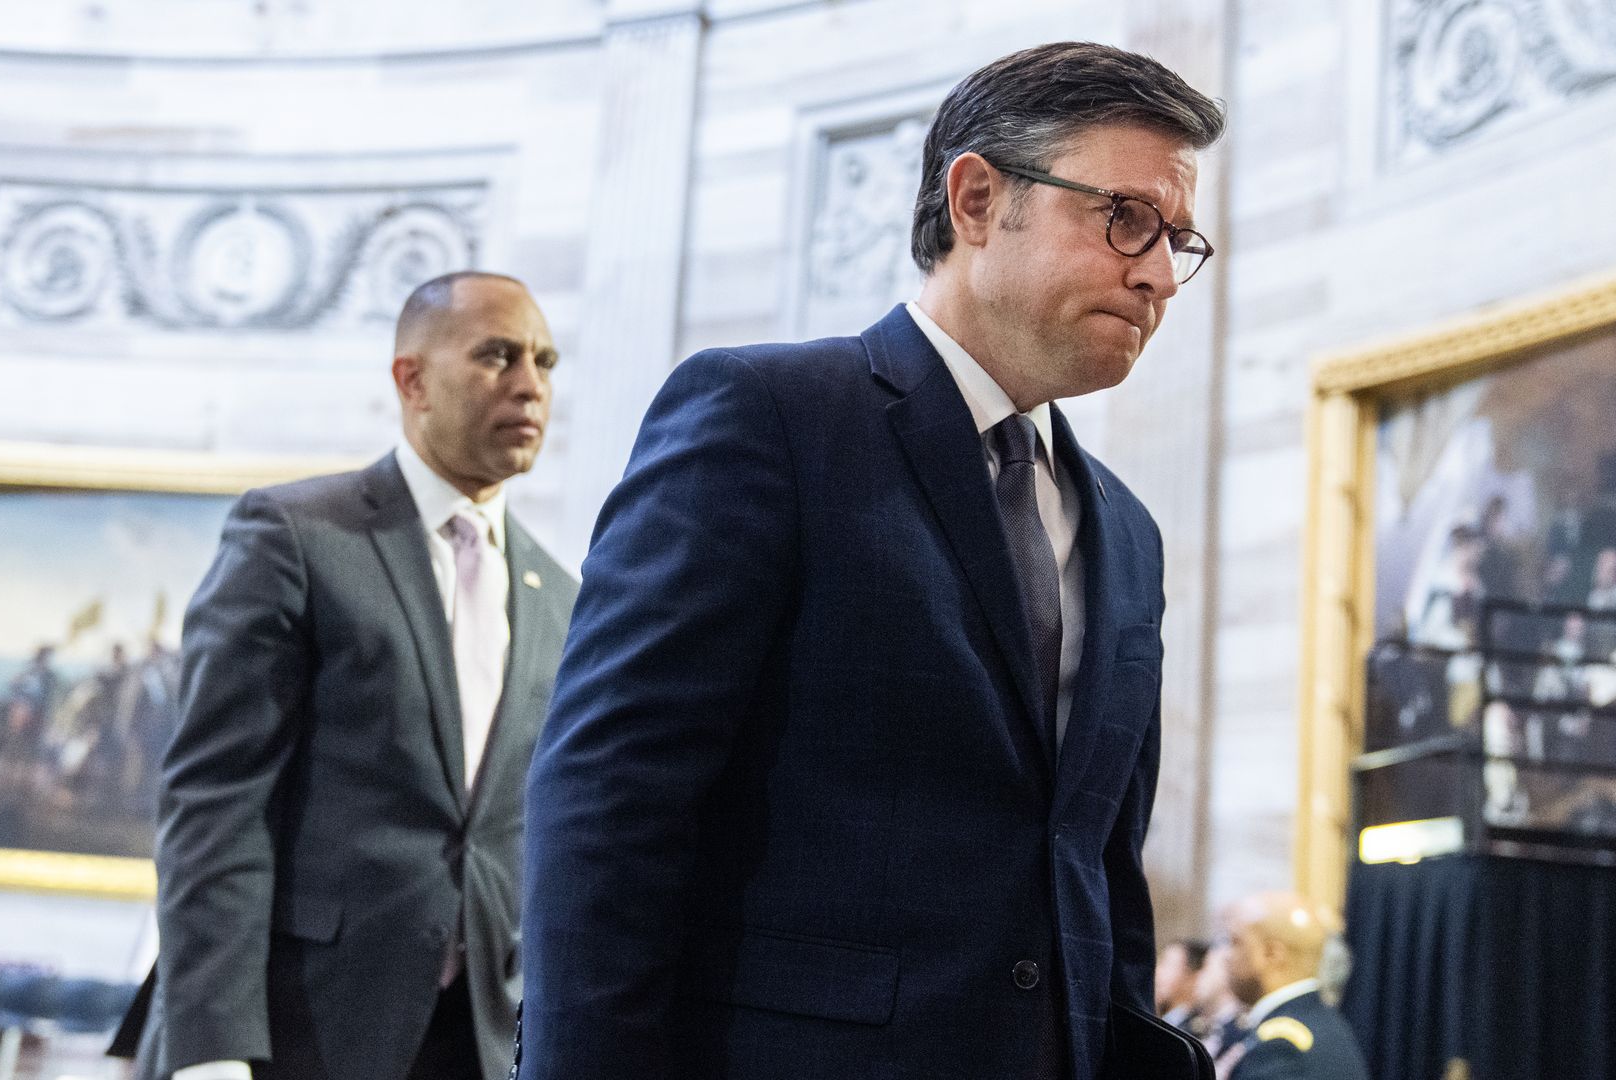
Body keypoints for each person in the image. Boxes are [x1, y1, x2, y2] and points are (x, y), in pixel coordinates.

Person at [519, 41, 1225, 1080]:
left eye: (1178, 239)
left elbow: (1097, 870)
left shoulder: (1128, 531)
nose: (1159, 272)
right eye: (1124, 219)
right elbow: (610, 796)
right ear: (978, 199)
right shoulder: (768, 417)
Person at [109, 271, 577, 1080]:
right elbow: (216, 802)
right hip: (290, 1032)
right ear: (412, 379)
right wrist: (213, 1049)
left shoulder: (561, 594)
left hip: (476, 1045)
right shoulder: (293, 535)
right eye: (498, 356)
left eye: (544, 360)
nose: (530, 385)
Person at [1217, 892, 1369, 1080]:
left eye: (1235, 942)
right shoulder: (1323, 1023)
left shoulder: (1280, 1046)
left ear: (1272, 954)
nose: (1225, 955)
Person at [1158, 939, 1211, 1028]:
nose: (1158, 971)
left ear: (1193, 978)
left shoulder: (1194, 1032)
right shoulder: (1164, 1021)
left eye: (1168, 965)